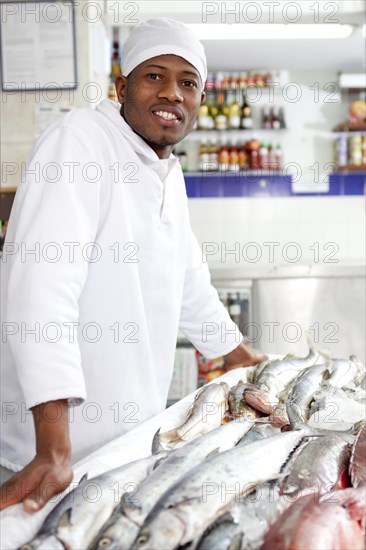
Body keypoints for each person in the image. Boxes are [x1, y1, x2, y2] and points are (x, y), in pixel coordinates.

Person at [0, 18, 266, 513]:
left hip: (124, 446)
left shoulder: (166, 169)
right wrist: (52, 447)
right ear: (122, 86)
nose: (172, 93)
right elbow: (42, 288)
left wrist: (239, 357)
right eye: (154, 76)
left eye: (188, 82)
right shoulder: (79, 141)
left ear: (200, 102)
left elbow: (189, 281)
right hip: (46, 457)